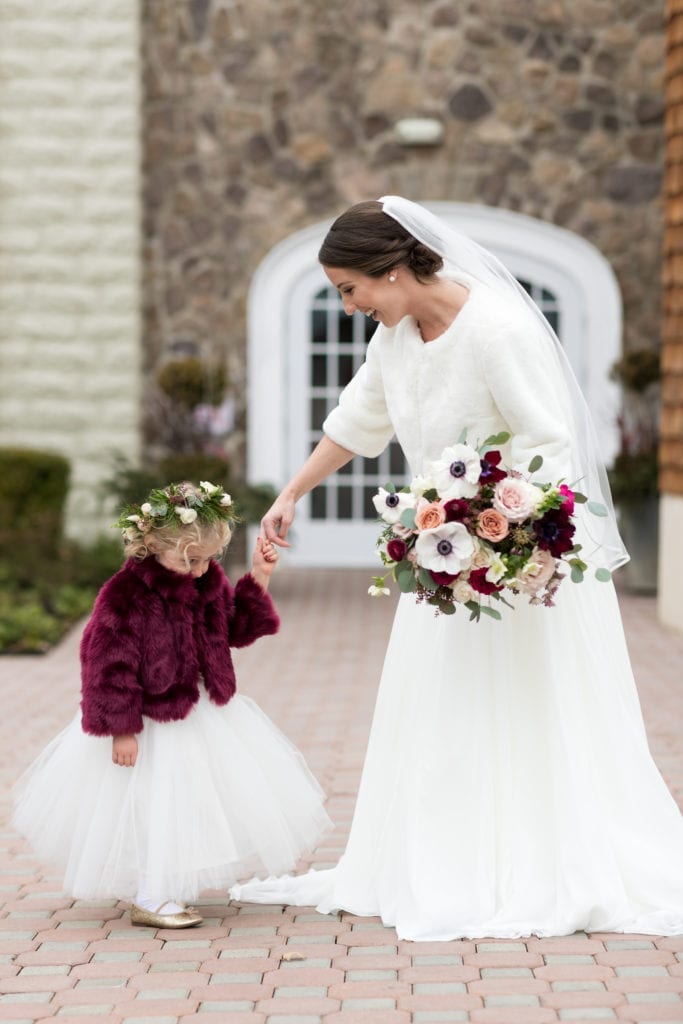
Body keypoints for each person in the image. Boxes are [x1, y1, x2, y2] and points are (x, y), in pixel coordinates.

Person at [231, 196, 683, 941]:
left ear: (395, 267)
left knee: (524, 708)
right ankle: (443, 859)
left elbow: (549, 442)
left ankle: (531, 863)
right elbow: (356, 421)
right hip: (443, 559)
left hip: (519, 560)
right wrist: (291, 492)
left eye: (351, 288)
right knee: (443, 707)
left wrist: (497, 533)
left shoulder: (497, 330)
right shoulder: (395, 340)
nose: (348, 307)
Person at [12, 480, 331, 928]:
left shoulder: (207, 583)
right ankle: (151, 894)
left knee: (189, 799)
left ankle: (166, 885)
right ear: (155, 547)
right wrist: (121, 728)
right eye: (191, 560)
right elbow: (106, 664)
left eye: (208, 560)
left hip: (199, 710)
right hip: (149, 718)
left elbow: (234, 629)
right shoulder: (126, 595)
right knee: (151, 802)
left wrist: (260, 574)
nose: (202, 570)